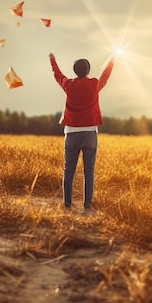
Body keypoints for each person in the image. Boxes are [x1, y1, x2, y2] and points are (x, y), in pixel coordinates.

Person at [49, 53, 115, 212]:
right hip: (90, 134)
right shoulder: (94, 84)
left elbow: (57, 75)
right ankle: (87, 206)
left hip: (71, 133)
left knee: (68, 170)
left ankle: (67, 205)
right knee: (89, 171)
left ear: (74, 71)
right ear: (88, 70)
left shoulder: (68, 85)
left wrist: (53, 60)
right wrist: (112, 59)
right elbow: (105, 75)